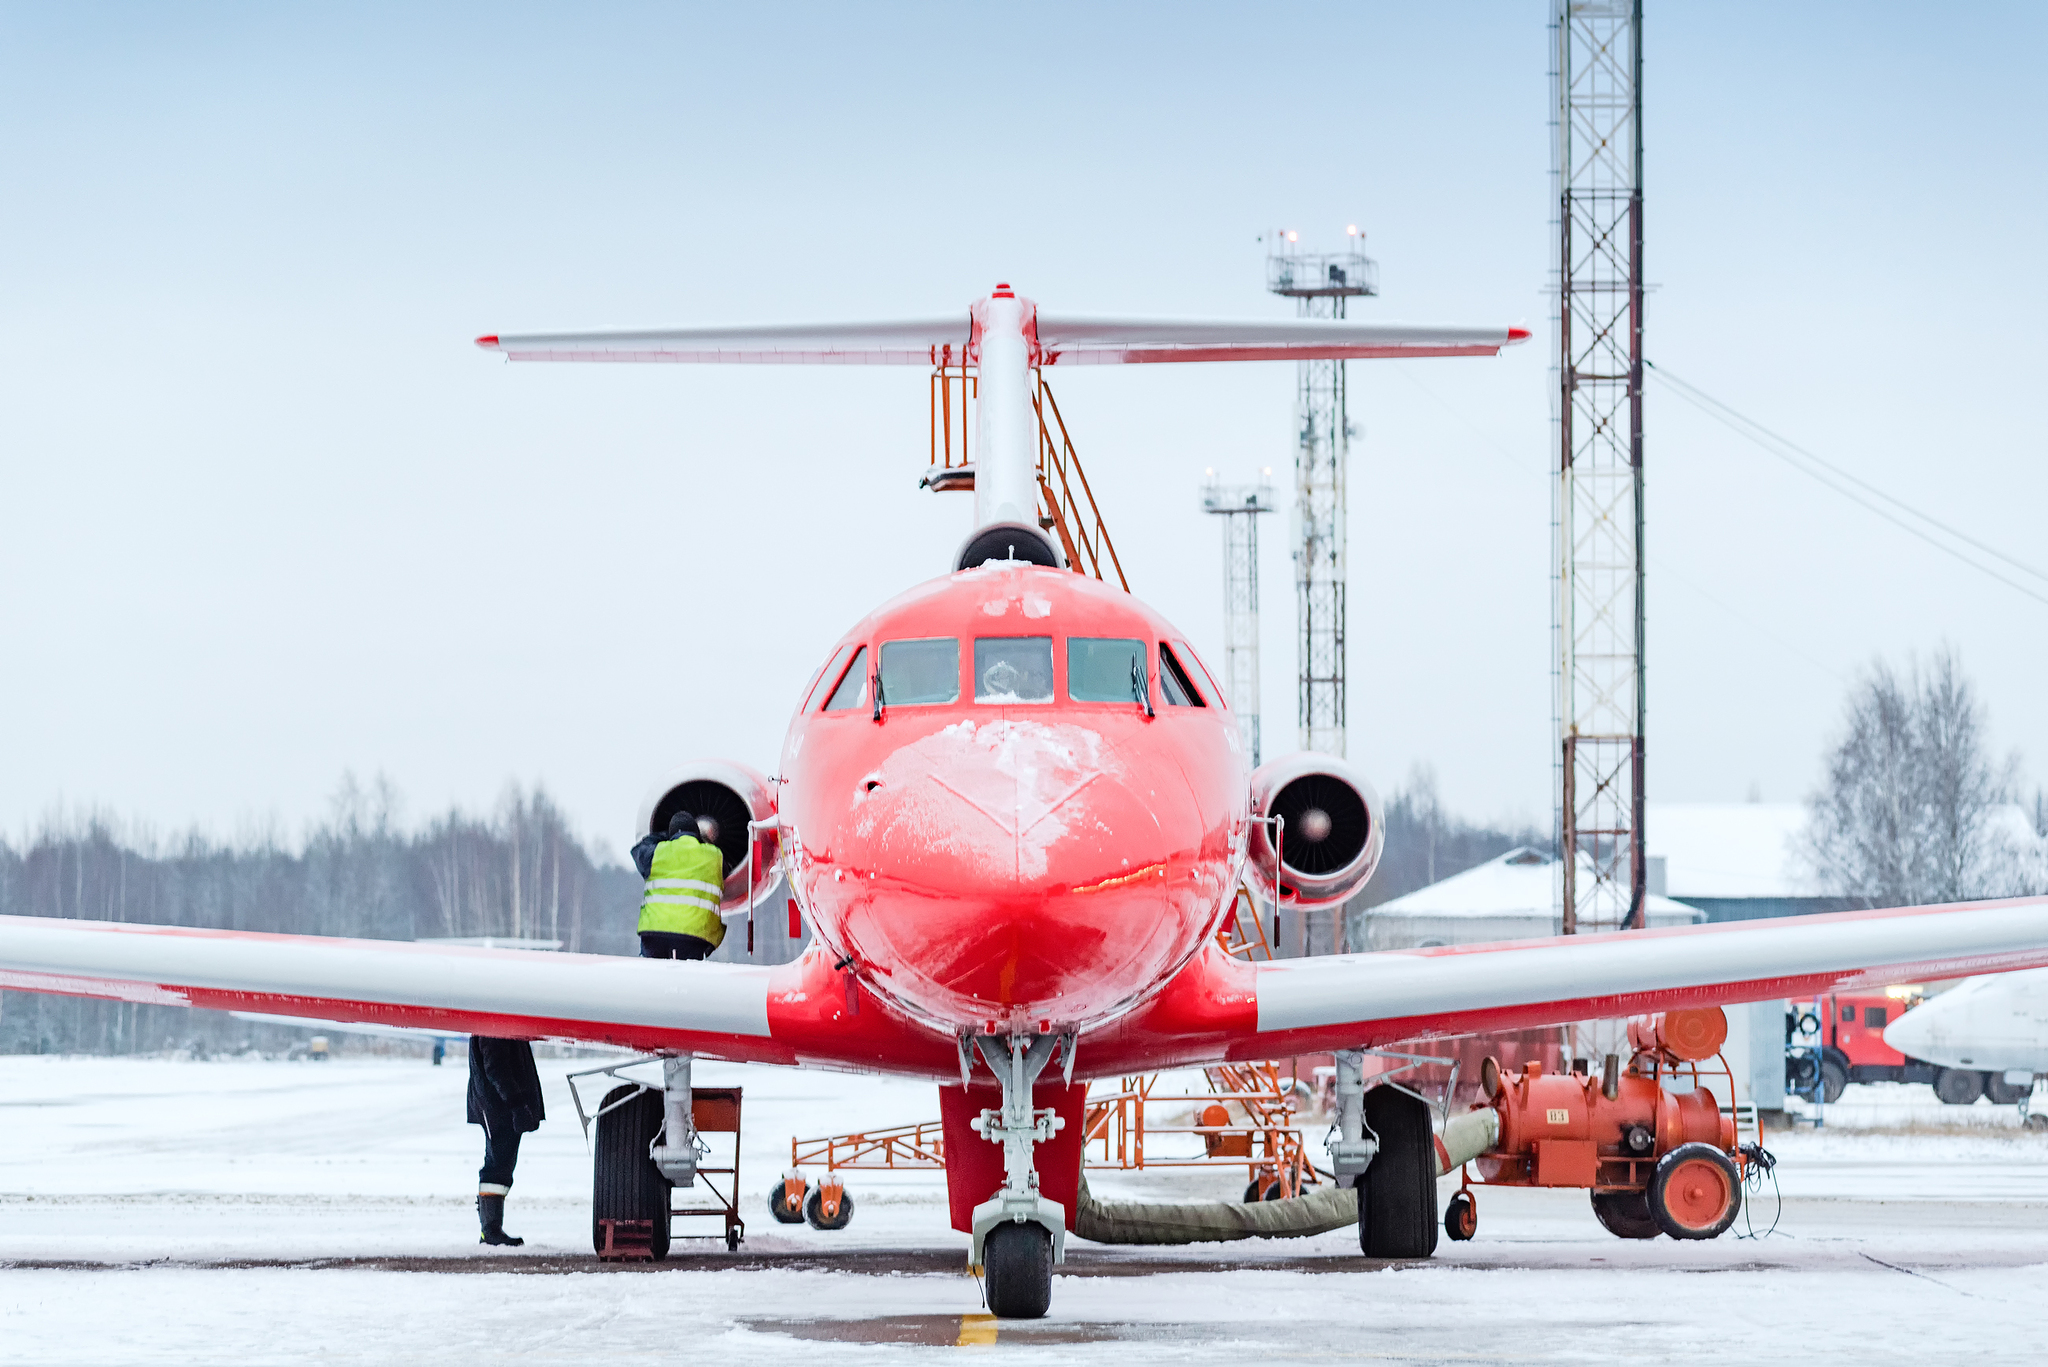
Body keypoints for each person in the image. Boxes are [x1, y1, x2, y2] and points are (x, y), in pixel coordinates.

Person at [468, 1035, 544, 1247]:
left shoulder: (499, 1023)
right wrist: (517, 1104)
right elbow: (495, 1068)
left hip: (502, 1107)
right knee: (497, 1167)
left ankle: (490, 1227)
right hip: (498, 1108)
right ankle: (490, 1229)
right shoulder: (493, 1026)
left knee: (501, 1165)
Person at [631, 810, 727, 960]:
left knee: (652, 977)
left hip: (654, 932)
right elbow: (726, 872)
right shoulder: (715, 856)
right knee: (688, 979)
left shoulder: (657, 852)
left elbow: (639, 849)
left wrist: (665, 835)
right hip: (695, 935)